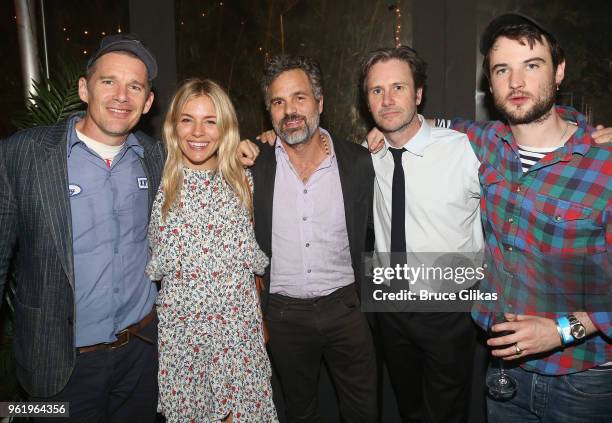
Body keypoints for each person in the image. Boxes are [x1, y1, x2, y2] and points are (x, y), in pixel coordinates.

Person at [364, 13, 611, 423]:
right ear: (491, 82)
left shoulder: (600, 163)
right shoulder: (484, 143)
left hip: (581, 379)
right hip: (504, 374)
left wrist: (562, 330)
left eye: (531, 66)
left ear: (559, 71)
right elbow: (424, 127)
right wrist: (385, 129)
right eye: (502, 70)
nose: (516, 82)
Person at [0, 34, 162, 421]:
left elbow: (211, 152)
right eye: (109, 81)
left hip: (141, 357)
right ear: (84, 89)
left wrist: (260, 146)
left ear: (148, 101)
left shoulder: (155, 157)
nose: (122, 95)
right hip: (58, 366)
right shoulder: (23, 153)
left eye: (134, 86)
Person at [359, 45, 483, 423]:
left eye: (398, 87)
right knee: (408, 407)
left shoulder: (462, 149)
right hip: (388, 303)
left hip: (449, 306)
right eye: (376, 90)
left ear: (418, 94)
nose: (387, 99)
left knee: (448, 412)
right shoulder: (367, 155)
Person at [251, 54, 378, 422]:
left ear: (320, 103)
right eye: (278, 102)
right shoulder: (252, 163)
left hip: (347, 309)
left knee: (362, 412)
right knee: (299, 411)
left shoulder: (358, 162)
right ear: (270, 112)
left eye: (299, 98)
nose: (289, 110)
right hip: (284, 316)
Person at [146, 78, 277, 422]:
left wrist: (268, 139)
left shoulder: (246, 179)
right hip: (182, 344)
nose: (198, 131)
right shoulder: (156, 179)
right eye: (187, 119)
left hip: (237, 342)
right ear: (174, 125)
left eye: (210, 120)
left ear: (225, 127)